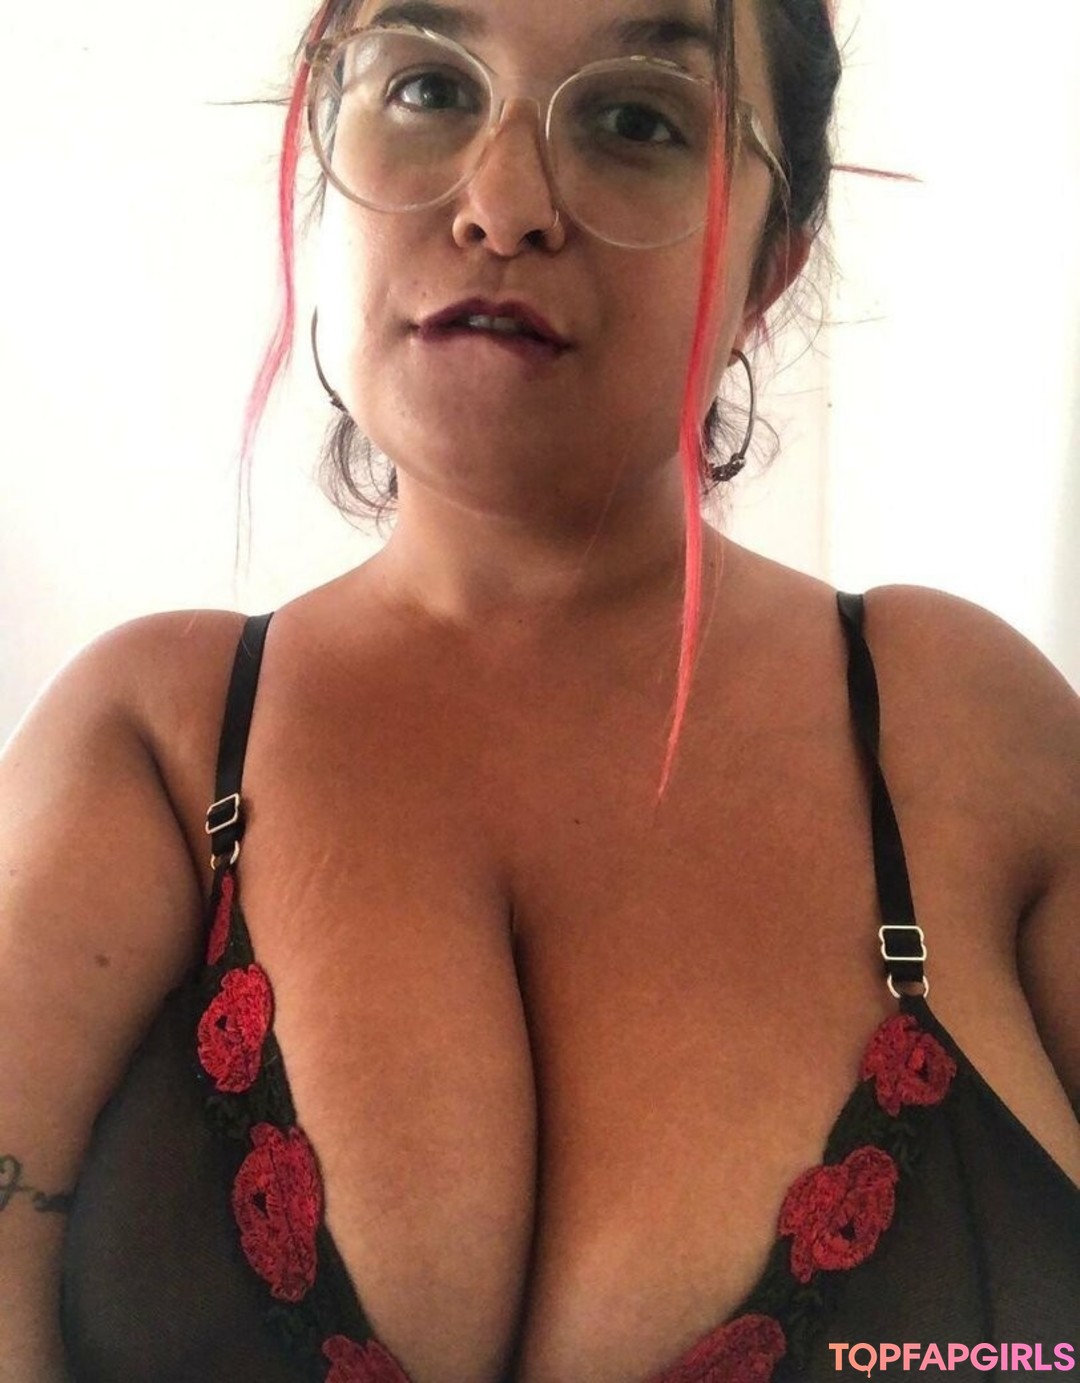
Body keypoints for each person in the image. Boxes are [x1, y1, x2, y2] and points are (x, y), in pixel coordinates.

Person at [2, 0, 1078, 1379]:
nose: (503, 205)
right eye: (427, 89)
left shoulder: (965, 732)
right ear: (326, 146)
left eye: (636, 121)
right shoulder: (144, 744)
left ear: (771, 265)